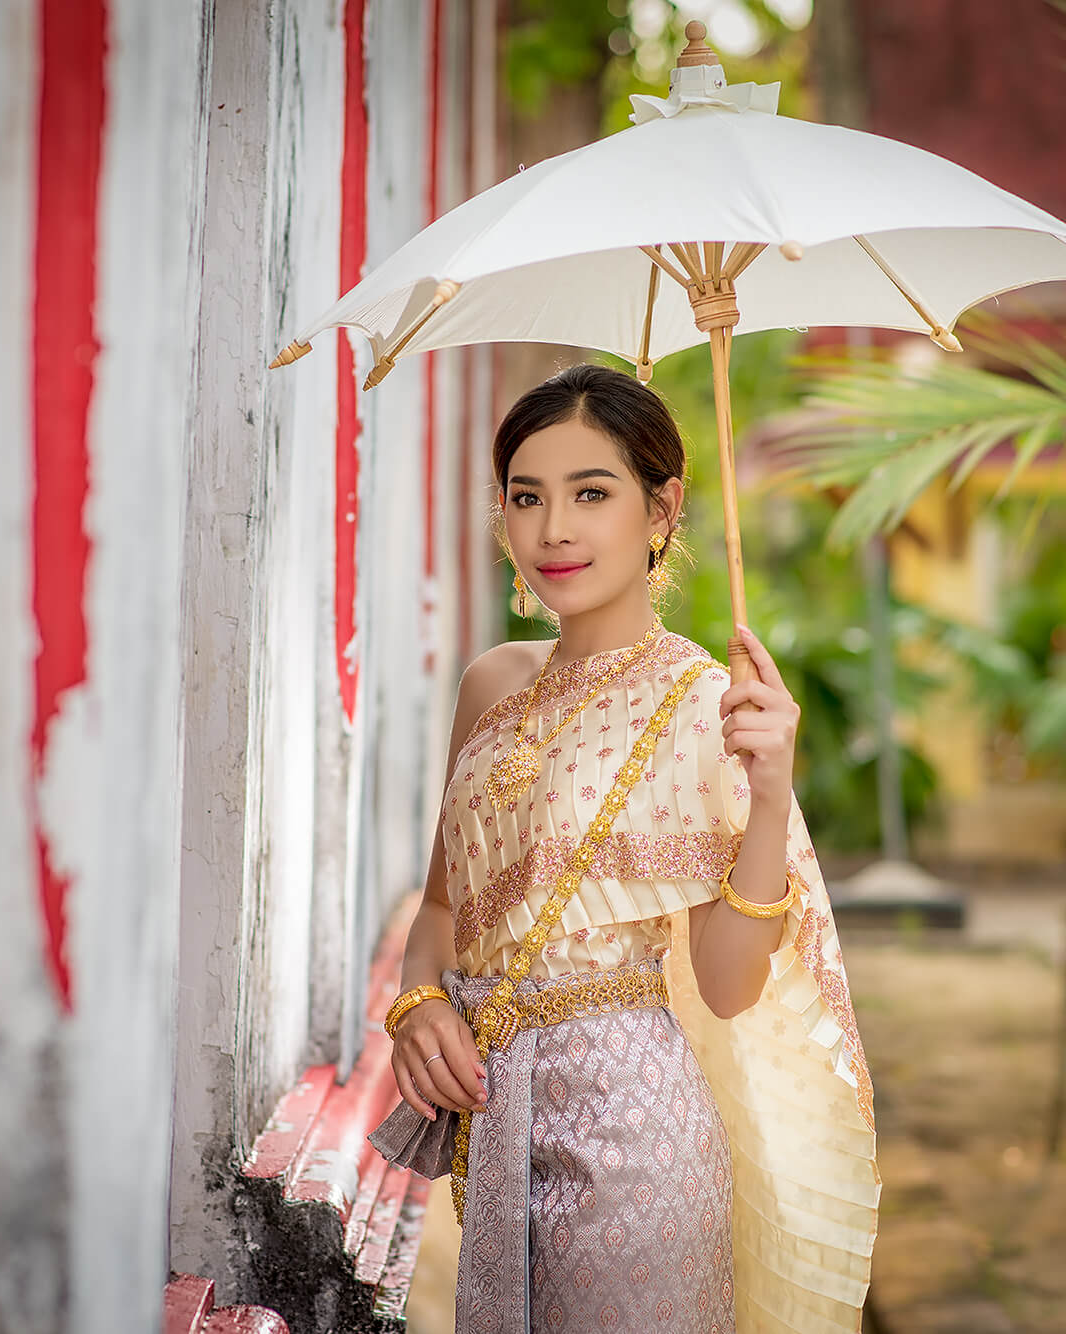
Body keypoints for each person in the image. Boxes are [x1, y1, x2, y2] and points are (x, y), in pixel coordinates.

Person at [367, 364, 879, 1334]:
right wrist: (416, 1002)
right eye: (527, 495)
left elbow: (727, 985)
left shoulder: (698, 704)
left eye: (590, 492)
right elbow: (441, 910)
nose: (553, 527)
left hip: (635, 1137)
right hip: (497, 1120)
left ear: (661, 506)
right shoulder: (491, 689)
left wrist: (766, 798)